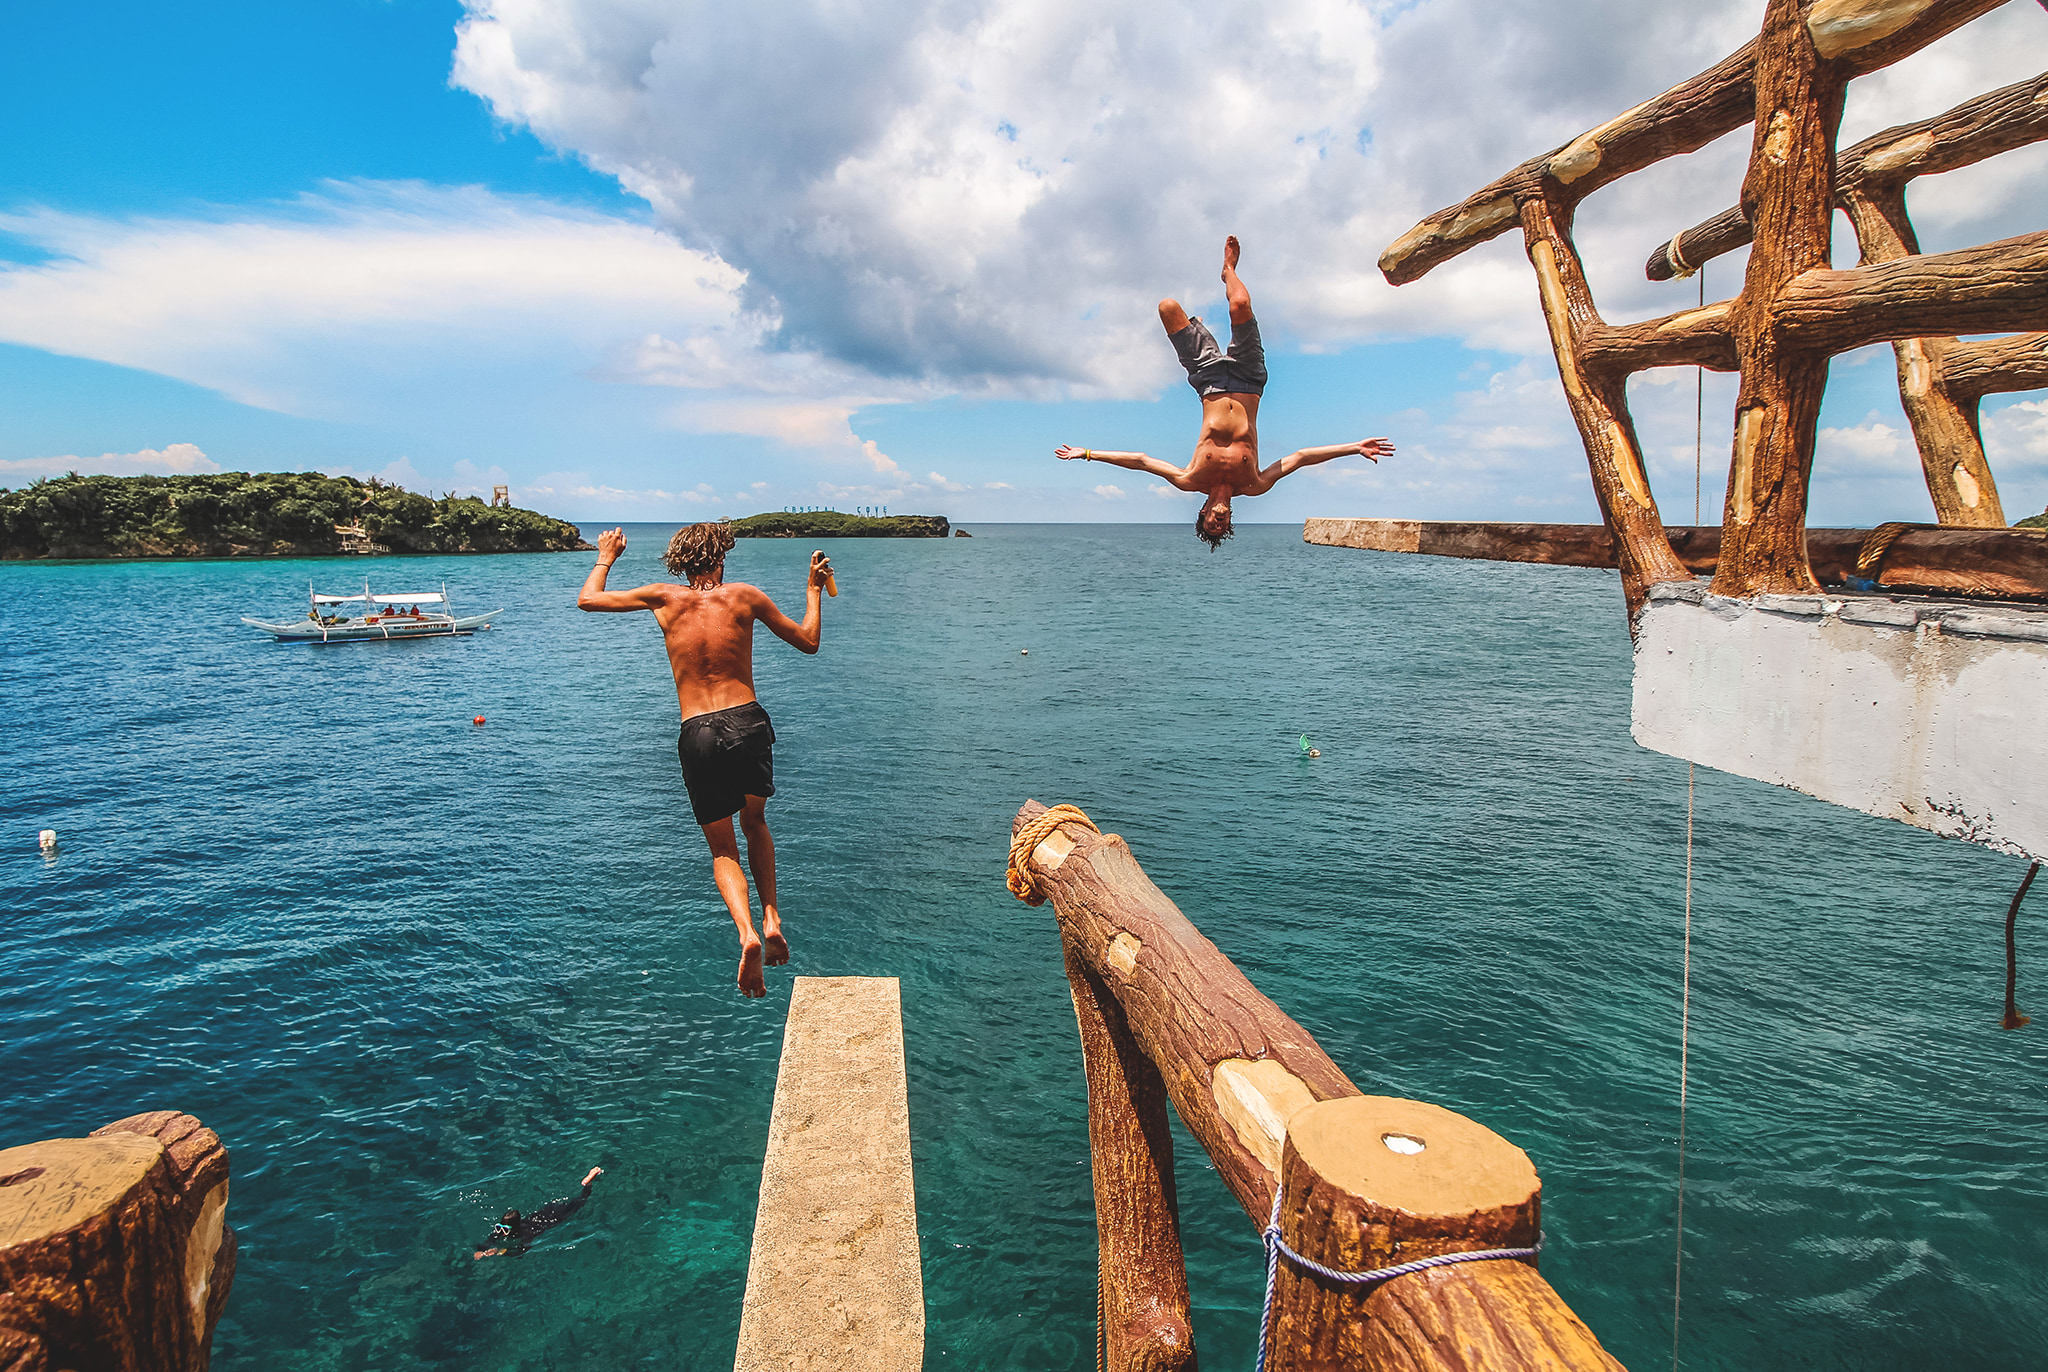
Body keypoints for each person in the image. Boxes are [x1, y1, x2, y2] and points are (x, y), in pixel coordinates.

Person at [576, 523, 831, 998]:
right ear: (721, 559)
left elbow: (588, 600)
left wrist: (606, 557)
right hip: (748, 720)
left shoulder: (663, 598)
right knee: (756, 822)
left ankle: (747, 934)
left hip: (698, 731)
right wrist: (813, 590)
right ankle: (772, 914)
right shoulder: (745, 597)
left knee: (721, 848)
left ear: (680, 562)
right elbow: (809, 641)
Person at [1055, 236, 1395, 549]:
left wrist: (1087, 453)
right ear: (1230, 517)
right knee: (1241, 304)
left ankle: (1202, 311)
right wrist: (1354, 447)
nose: (1219, 520)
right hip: (1250, 380)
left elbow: (1141, 462)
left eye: (1211, 523)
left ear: (1203, 512)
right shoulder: (1254, 483)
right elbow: (1300, 458)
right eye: (1224, 524)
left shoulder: (1190, 478)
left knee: (1166, 307)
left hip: (1208, 380)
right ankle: (1229, 271)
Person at [474, 1166, 604, 1259]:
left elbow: (521, 1252)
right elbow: (488, 1241)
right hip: (544, 1211)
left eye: (505, 1229)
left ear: (515, 1228)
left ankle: (588, 1183)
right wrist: (481, 1251)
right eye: (499, 1227)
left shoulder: (526, 1233)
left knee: (581, 1202)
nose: (501, 1231)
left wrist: (499, 1252)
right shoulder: (501, 1230)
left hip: (555, 1216)